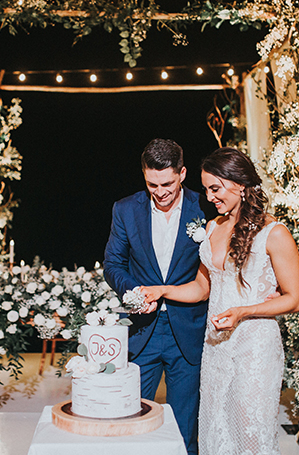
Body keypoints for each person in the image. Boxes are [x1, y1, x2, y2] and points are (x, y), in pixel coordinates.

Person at [141, 147, 299, 455]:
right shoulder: (213, 227)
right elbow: (202, 288)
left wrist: (245, 311)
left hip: (254, 346)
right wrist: (162, 290)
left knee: (249, 432)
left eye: (215, 188)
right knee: (215, 429)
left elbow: (295, 299)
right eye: (206, 190)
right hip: (216, 345)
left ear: (240, 185)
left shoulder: (275, 232)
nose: (210, 197)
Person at [104, 138, 208, 455]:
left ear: (182, 174)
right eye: (152, 184)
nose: (160, 192)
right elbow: (113, 264)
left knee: (184, 430)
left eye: (167, 183)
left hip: (187, 331)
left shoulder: (204, 207)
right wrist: (132, 291)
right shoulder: (125, 210)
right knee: (132, 423)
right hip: (142, 330)